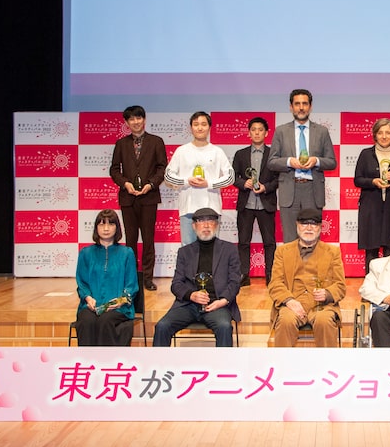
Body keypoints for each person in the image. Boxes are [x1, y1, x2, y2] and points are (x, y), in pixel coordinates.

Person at [153, 208, 241, 347]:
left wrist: (222, 301)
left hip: (217, 305)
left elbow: (235, 282)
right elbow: (176, 284)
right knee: (162, 326)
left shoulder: (230, 250)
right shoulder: (184, 252)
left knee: (224, 326)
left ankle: (224, 362)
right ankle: (158, 361)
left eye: (210, 221)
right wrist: (191, 295)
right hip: (188, 305)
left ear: (217, 225)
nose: (206, 225)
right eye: (201, 221)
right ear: (194, 226)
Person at [109, 105, 167, 291]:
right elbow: (114, 169)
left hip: (149, 197)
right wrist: (125, 183)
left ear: (144, 119)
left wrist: (151, 184)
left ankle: (148, 278)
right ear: (126, 123)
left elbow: (162, 168)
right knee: (130, 240)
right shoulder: (121, 144)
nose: (136, 122)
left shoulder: (156, 141)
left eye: (139, 118)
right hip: (128, 198)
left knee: (148, 239)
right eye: (131, 119)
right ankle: (131, 278)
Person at [269, 209, 346, 347]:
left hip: (322, 306)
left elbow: (340, 286)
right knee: (285, 320)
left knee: (324, 321)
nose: (309, 228)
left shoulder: (333, 252)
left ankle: (328, 361)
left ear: (320, 227)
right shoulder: (282, 251)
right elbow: (275, 283)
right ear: (297, 225)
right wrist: (289, 300)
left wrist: (327, 293)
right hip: (292, 302)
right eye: (304, 224)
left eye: (314, 224)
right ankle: (283, 361)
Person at [268, 89, 337, 243]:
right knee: (290, 239)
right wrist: (289, 162)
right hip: (289, 191)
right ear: (291, 107)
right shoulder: (281, 131)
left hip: (312, 191)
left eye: (305, 104)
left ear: (310, 107)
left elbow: (332, 162)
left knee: (312, 239)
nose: (301, 108)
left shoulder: (322, 132)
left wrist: (316, 161)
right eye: (297, 104)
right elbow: (271, 162)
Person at [164, 111, 234, 246]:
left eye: (203, 124)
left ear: (209, 127)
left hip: (211, 208)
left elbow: (230, 177)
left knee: (211, 249)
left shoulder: (217, 151)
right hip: (188, 209)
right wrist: (186, 181)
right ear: (191, 128)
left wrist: (209, 183)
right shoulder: (182, 151)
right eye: (196, 124)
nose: (200, 128)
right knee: (188, 248)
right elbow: (168, 176)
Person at [354, 118, 390, 274]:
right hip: (371, 207)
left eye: (388, 133)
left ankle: (389, 284)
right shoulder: (366, 154)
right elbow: (357, 180)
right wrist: (373, 181)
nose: (384, 136)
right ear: (375, 135)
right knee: (371, 248)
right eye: (380, 133)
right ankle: (370, 284)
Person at [75, 209, 139, 346]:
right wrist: (88, 298)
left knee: (105, 320)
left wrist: (120, 301)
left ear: (117, 228)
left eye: (111, 224)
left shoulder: (127, 253)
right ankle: (86, 358)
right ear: (96, 228)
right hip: (91, 306)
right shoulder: (86, 253)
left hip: (119, 307)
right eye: (102, 224)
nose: (106, 228)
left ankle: (107, 359)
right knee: (86, 321)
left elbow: (131, 285)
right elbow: (82, 283)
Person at [232, 117, 278, 286]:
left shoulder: (273, 154)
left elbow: (279, 179)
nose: (257, 133)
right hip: (246, 204)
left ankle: (270, 275)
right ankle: (243, 275)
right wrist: (243, 183)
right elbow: (232, 177)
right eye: (253, 130)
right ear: (249, 133)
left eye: (260, 130)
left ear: (266, 133)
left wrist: (266, 187)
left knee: (269, 242)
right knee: (244, 241)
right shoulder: (240, 154)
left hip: (266, 203)